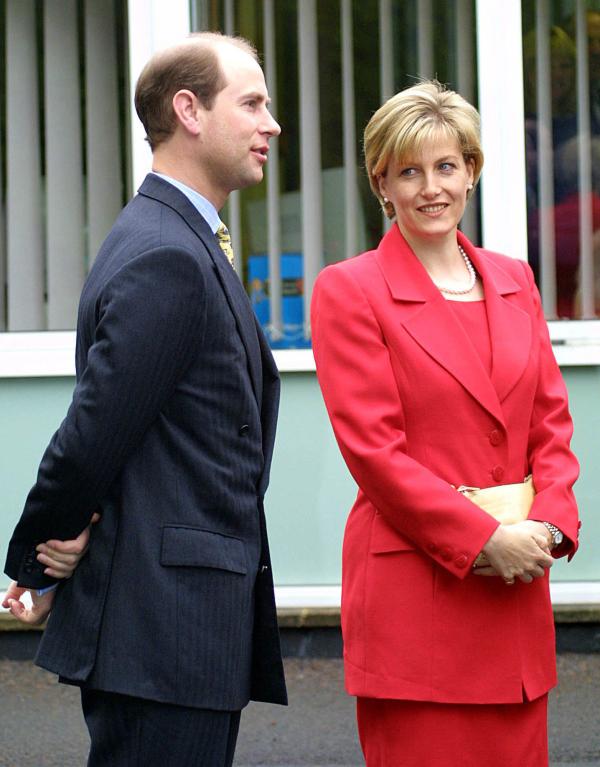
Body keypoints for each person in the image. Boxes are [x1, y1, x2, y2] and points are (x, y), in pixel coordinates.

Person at [3, 31, 286, 767]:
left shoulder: (181, 236)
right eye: (252, 103)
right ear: (188, 110)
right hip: (166, 632)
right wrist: (42, 551)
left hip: (174, 630)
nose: (271, 124)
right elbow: (94, 431)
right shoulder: (168, 250)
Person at [310, 80, 580, 766]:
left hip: (515, 596)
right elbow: (376, 452)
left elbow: (551, 426)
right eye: (409, 171)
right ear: (382, 182)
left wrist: (550, 524)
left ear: (472, 172)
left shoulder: (517, 279)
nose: (431, 188)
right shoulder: (352, 289)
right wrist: (484, 537)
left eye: (446, 166)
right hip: (421, 604)